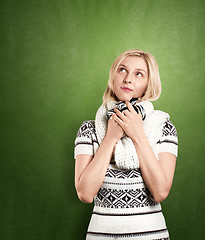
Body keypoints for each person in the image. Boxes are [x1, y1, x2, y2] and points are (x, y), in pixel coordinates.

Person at [74, 49, 178, 240]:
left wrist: (137, 134)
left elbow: (160, 191)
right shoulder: (89, 130)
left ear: (148, 84)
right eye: (122, 70)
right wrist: (111, 137)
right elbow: (85, 194)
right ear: (113, 76)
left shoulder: (163, 126)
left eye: (139, 74)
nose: (128, 79)